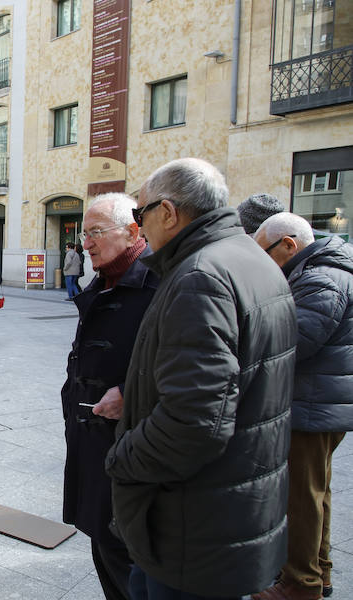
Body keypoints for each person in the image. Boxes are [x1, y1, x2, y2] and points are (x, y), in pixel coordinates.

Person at [104, 158, 297, 600]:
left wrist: (122, 456)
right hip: (232, 509)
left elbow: (194, 422)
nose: (139, 228)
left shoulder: (200, 277)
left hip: (193, 524)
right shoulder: (252, 260)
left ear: (168, 213)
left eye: (141, 215)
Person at [61, 193, 159, 600]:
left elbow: (187, 366)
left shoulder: (160, 281)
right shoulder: (105, 279)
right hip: (93, 433)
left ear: (133, 231)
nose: (86, 243)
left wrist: (131, 396)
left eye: (96, 232)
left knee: (128, 553)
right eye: (85, 234)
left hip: (131, 442)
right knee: (103, 542)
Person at [252, 213, 353, 600]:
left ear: (289, 245)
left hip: (312, 405)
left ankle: (299, 584)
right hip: (322, 401)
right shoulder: (324, 270)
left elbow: (294, 340)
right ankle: (318, 572)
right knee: (315, 493)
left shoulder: (320, 277)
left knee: (300, 497)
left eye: (265, 254)